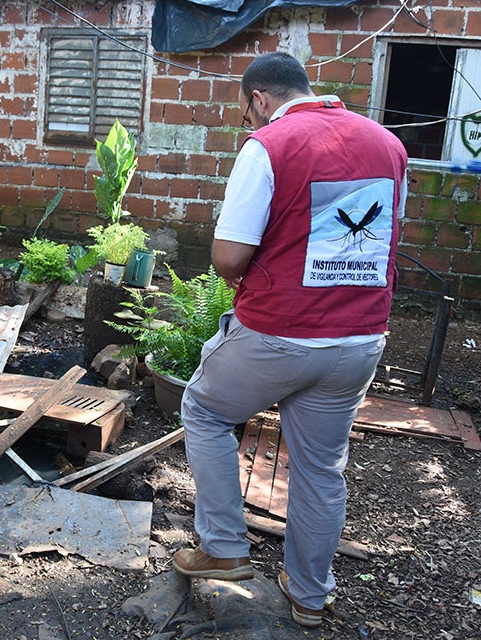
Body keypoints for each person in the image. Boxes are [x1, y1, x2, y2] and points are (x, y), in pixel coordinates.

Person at [171, 52, 409, 629]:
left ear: (258, 98)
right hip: (358, 339)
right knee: (321, 469)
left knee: (203, 408)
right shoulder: (388, 144)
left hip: (280, 334)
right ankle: (309, 596)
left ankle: (223, 547)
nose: (249, 122)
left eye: (247, 111)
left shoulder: (269, 145)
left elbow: (229, 257)